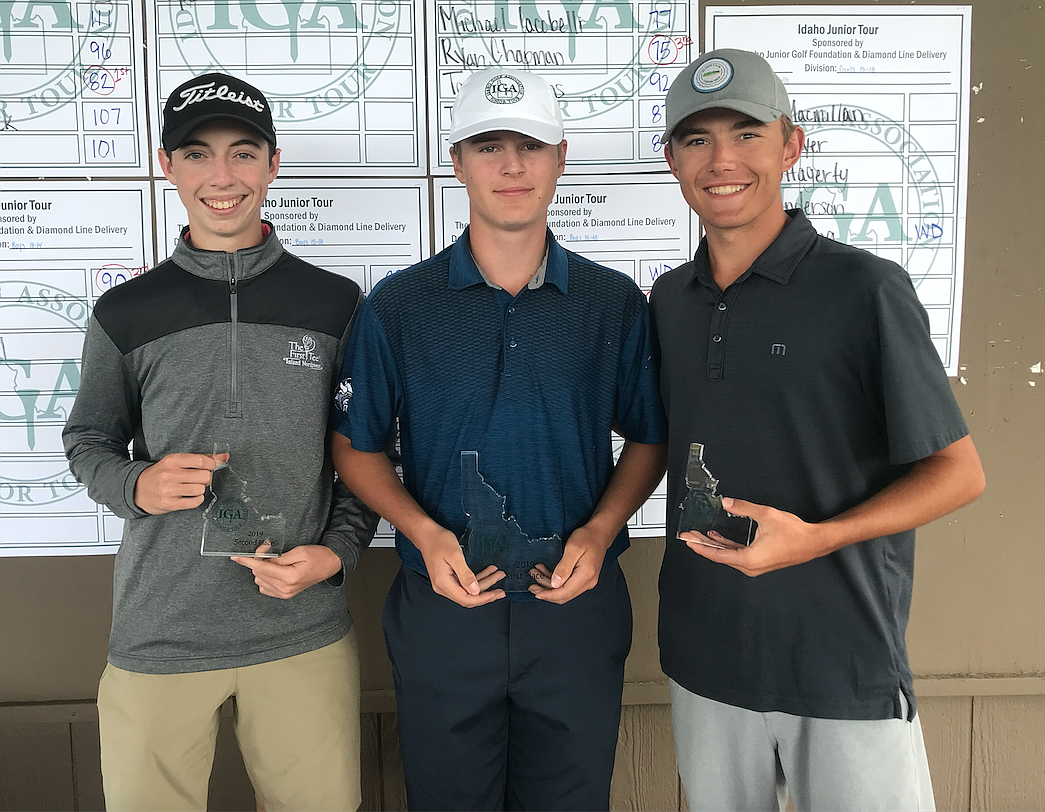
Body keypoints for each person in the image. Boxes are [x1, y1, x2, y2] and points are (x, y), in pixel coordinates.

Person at [650, 49, 986, 811]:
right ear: (671, 158)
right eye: (697, 139)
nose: (722, 159)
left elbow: (958, 472)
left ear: (789, 144)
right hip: (707, 656)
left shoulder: (863, 288)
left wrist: (819, 537)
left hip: (841, 659)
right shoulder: (669, 300)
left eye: (745, 133)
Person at [330, 67, 667, 811]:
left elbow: (649, 438)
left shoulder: (613, 303)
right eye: (488, 146)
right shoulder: (399, 305)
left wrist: (602, 527)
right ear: (456, 162)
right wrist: (420, 530)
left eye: (530, 145)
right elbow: (354, 447)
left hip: (574, 610)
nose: (511, 165)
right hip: (445, 608)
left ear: (560, 158)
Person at [62, 72, 378, 811]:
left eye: (242, 152)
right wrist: (134, 484)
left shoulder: (335, 304)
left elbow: (365, 457)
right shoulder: (125, 311)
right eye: (197, 154)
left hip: (301, 627)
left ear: (273, 163)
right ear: (165, 165)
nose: (222, 176)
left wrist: (337, 555)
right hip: (160, 631)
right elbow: (87, 440)